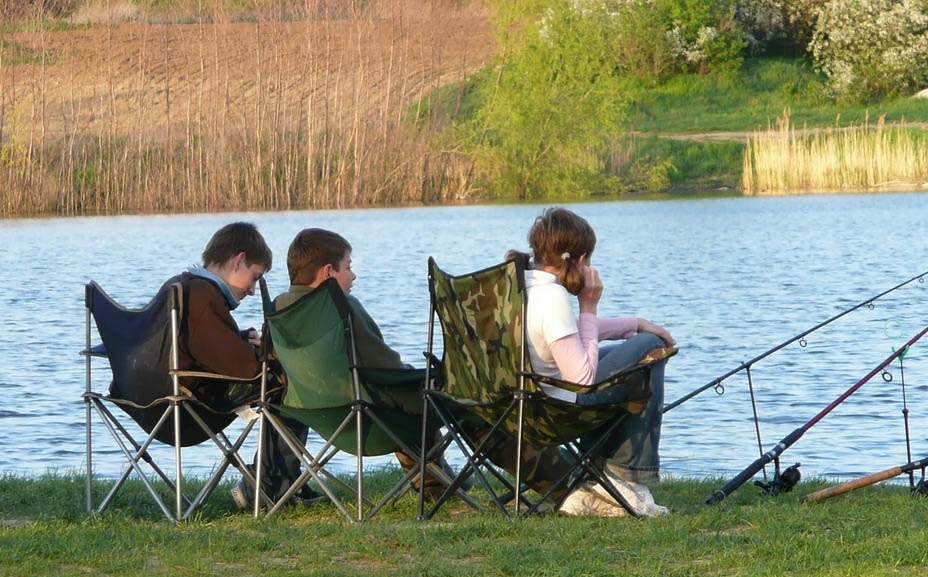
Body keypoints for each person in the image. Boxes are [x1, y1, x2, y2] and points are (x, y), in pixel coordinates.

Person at [504, 206, 676, 517]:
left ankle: (604, 475)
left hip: (521, 401)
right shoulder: (553, 297)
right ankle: (625, 478)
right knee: (650, 352)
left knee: (639, 346)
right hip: (557, 408)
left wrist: (634, 324)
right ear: (581, 260)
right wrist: (589, 306)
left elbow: (566, 335)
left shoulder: (522, 285)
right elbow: (582, 380)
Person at [272, 227, 460, 491]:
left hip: (321, 420)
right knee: (429, 393)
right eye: (347, 267)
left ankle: (434, 481)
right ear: (328, 272)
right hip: (368, 420)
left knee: (404, 398)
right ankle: (434, 482)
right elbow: (386, 366)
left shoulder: (279, 308)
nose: (353, 275)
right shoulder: (344, 307)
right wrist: (426, 376)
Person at [159, 221, 310, 509]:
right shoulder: (203, 296)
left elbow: (192, 345)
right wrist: (265, 355)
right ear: (238, 260)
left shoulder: (180, 285)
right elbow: (247, 371)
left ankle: (273, 482)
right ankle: (270, 487)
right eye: (254, 277)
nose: (253, 290)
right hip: (190, 407)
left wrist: (238, 340)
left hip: (154, 396)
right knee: (286, 381)